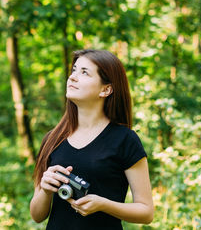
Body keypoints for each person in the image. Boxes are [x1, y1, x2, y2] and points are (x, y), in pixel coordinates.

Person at [30, 49, 154, 229]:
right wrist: (46, 191)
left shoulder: (125, 140)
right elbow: (36, 215)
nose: (72, 77)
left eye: (84, 72)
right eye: (74, 70)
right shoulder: (52, 138)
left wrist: (103, 205)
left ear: (106, 89)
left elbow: (146, 212)